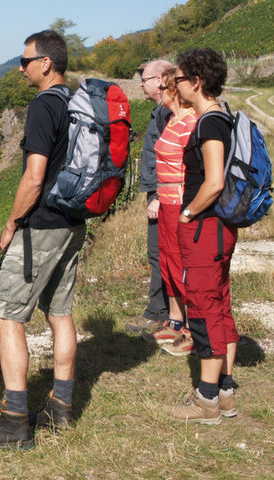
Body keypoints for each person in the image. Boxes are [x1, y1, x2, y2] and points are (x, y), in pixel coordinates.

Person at [0, 30, 87, 450]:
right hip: (74, 222)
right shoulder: (76, 103)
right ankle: (61, 406)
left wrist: (11, 223)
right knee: (60, 311)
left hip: (43, 226)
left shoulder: (43, 107)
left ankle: (15, 423)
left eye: (25, 61)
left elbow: (34, 177)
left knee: (7, 317)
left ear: (45, 63)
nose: (20, 68)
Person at [171, 47, 239, 424]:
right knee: (220, 303)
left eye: (179, 78)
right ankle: (225, 391)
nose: (175, 85)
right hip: (217, 231)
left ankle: (207, 399)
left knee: (203, 306)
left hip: (205, 228)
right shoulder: (220, 117)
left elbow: (213, 182)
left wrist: (187, 212)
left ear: (196, 82)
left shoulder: (210, 123)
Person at [141, 69, 197, 355]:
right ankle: (175, 320)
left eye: (162, 88)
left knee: (180, 263)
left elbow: (193, 169)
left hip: (178, 203)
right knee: (167, 261)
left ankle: (191, 329)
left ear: (174, 90)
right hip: (165, 202)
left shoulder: (190, 122)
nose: (156, 93)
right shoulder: (171, 119)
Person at [125, 59, 174, 333]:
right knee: (160, 253)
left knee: (159, 253)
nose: (141, 84)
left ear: (159, 80)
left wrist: (159, 195)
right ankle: (165, 312)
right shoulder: (161, 111)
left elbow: (172, 158)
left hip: (163, 194)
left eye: (144, 79)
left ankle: (159, 313)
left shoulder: (168, 112)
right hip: (160, 192)